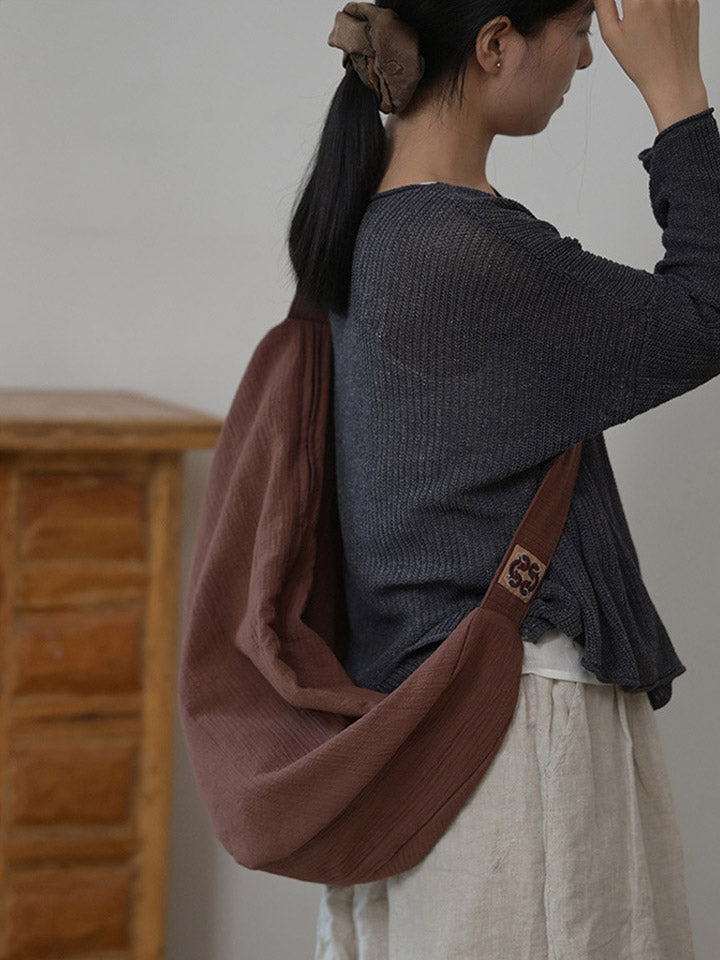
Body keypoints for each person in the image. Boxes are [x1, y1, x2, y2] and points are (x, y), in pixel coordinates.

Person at [286, 0, 717, 957]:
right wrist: (678, 92)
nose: (586, 62)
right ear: (494, 44)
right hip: (515, 744)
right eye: (576, 33)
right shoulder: (462, 247)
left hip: (431, 736)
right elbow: (709, 309)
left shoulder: (372, 229)